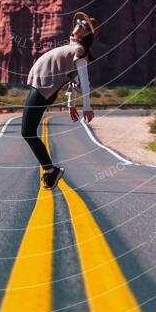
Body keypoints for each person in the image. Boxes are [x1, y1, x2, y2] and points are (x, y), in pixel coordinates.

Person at [22, 11, 99, 189]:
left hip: (43, 90)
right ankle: (50, 172)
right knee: (28, 132)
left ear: (87, 34)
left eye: (84, 25)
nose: (78, 25)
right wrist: (71, 104)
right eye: (79, 22)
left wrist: (87, 107)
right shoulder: (73, 48)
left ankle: (51, 171)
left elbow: (84, 81)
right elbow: (73, 80)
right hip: (41, 88)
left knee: (27, 132)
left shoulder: (80, 52)